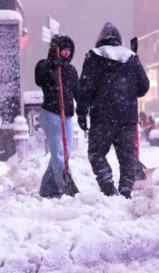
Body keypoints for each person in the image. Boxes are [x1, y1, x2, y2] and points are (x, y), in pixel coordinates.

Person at [76, 22, 150, 198]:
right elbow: (144, 86)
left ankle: (108, 187)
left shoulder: (93, 57)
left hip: (102, 117)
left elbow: (85, 89)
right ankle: (125, 190)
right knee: (127, 157)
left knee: (96, 153)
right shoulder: (131, 57)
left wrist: (82, 112)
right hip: (127, 118)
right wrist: (129, 91)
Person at [34, 34, 79, 198]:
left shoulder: (71, 70)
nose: (67, 53)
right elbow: (39, 79)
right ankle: (66, 188)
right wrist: (52, 66)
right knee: (59, 152)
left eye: (69, 50)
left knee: (65, 153)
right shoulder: (44, 65)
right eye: (63, 49)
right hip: (51, 114)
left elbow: (77, 92)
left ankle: (47, 187)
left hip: (67, 115)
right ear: (56, 49)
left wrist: (83, 109)